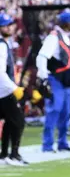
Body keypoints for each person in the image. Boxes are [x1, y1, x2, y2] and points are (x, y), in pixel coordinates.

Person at [37, 9, 70, 153]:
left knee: (66, 112)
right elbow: (42, 56)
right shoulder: (54, 37)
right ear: (66, 23)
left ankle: (62, 143)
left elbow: (69, 59)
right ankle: (47, 144)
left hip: (65, 80)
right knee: (54, 110)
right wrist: (43, 75)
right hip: (55, 78)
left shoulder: (66, 37)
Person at [0, 14, 27, 165]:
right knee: (18, 121)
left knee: (11, 122)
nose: (9, 27)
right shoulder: (2, 45)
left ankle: (4, 154)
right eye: (5, 25)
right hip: (4, 90)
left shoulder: (5, 43)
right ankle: (13, 154)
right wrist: (14, 88)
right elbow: (0, 72)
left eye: (10, 24)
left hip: (3, 89)